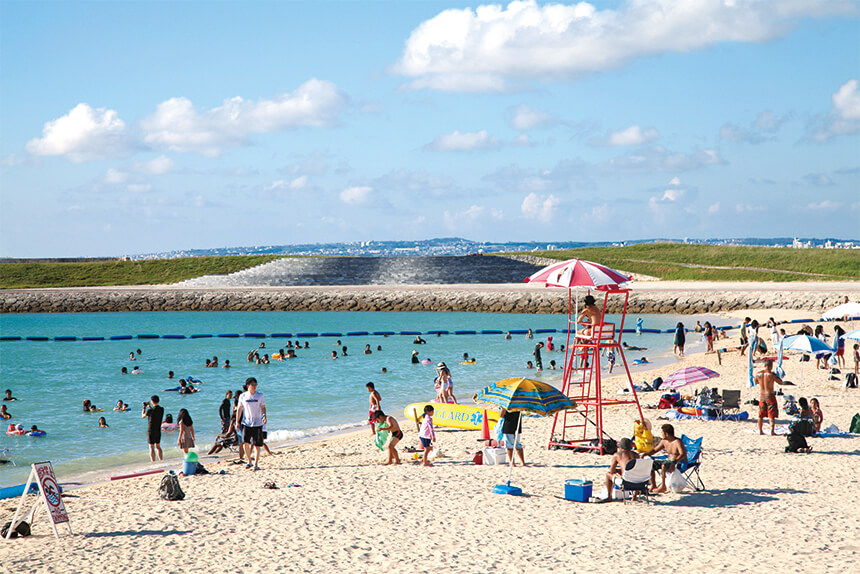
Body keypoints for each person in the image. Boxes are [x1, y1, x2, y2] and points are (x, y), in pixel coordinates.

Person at [640, 424, 687, 494]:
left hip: (679, 462)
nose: (661, 434)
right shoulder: (664, 441)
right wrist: (645, 454)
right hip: (668, 461)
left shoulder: (677, 442)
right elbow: (655, 450)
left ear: (666, 434)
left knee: (664, 465)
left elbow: (683, 454)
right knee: (650, 464)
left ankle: (663, 486)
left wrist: (674, 462)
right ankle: (653, 485)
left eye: (662, 432)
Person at [235, 377, 266, 470]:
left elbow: (263, 407)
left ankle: (256, 463)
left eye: (256, 385)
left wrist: (264, 415)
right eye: (253, 385)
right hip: (246, 423)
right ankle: (249, 461)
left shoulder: (260, 395)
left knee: (257, 445)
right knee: (246, 443)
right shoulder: (243, 396)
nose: (255, 386)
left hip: (258, 423)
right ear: (248, 386)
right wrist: (237, 422)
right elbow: (239, 409)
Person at [602, 437, 639, 502]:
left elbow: (611, 471)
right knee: (635, 473)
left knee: (608, 474)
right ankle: (634, 497)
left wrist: (618, 471)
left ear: (621, 448)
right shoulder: (636, 455)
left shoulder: (617, 455)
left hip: (626, 482)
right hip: (639, 481)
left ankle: (609, 496)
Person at [755, 359, 785, 435]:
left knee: (760, 414)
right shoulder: (771, 374)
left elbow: (756, 382)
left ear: (764, 366)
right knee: (771, 413)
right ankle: (772, 431)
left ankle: (760, 431)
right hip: (770, 395)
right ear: (771, 366)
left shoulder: (758, 374)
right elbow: (780, 382)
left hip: (762, 395)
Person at [142, 395, 164, 462]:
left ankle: (153, 461)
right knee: (158, 446)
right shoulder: (161, 409)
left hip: (151, 430)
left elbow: (143, 416)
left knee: (151, 447)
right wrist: (149, 407)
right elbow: (154, 411)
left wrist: (144, 408)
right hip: (158, 429)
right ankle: (161, 460)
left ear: (152, 401)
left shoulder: (150, 411)